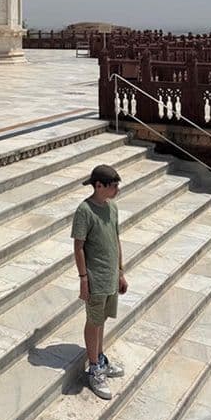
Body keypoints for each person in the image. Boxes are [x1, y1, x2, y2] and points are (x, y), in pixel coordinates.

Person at [71, 164, 129, 400]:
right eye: (113, 186)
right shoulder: (84, 211)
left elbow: (116, 240)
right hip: (95, 278)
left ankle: (100, 357)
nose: (116, 190)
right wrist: (84, 279)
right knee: (93, 320)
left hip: (110, 277)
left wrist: (120, 271)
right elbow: (79, 247)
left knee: (102, 318)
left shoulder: (112, 208)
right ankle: (94, 367)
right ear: (99, 186)